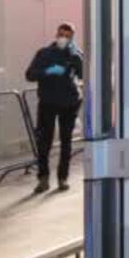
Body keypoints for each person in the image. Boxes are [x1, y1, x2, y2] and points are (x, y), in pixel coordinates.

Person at [26, 23, 83, 193]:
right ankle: (43, 179)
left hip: (69, 103)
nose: (63, 38)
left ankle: (62, 178)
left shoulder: (76, 55)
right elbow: (29, 75)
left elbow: (84, 75)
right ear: (56, 34)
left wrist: (78, 61)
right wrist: (47, 71)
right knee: (44, 141)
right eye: (61, 34)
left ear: (72, 38)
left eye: (67, 36)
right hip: (48, 101)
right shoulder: (44, 54)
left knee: (66, 142)